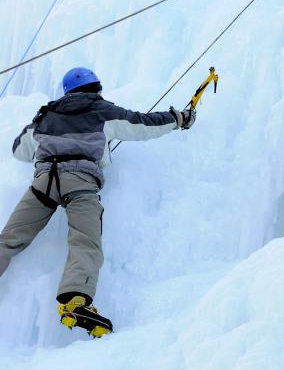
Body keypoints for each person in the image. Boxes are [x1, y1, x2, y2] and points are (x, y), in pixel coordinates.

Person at [0, 67, 195, 337]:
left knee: (10, 238)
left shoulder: (45, 116)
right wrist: (178, 118)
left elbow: (19, 149)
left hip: (43, 182)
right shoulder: (102, 111)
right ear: (96, 88)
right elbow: (142, 124)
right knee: (84, 241)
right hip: (79, 182)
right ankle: (73, 301)